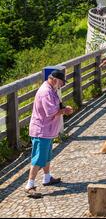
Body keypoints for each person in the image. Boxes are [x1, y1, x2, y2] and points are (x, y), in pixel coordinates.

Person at [25, 70, 73, 198]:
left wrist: (63, 108)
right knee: (39, 158)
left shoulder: (51, 88)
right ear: (55, 79)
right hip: (41, 130)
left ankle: (47, 178)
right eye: (62, 82)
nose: (62, 85)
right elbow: (50, 112)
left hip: (48, 129)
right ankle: (30, 185)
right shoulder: (46, 92)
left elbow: (56, 106)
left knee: (46, 156)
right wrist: (64, 111)